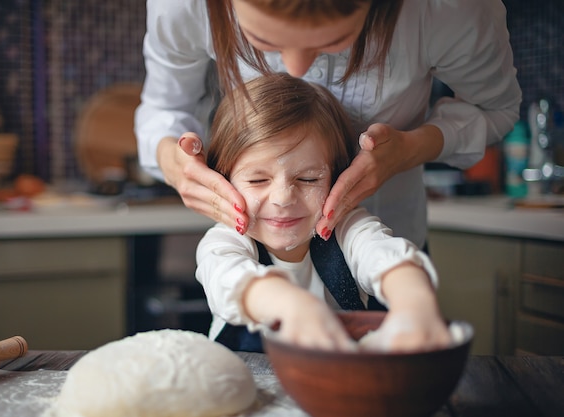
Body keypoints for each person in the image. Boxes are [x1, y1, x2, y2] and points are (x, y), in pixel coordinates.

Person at [134, 0, 522, 249]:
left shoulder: (450, 10)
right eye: (262, 39)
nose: (297, 68)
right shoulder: (182, 6)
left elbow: (497, 109)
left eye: (335, 39)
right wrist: (174, 163)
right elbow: (162, 110)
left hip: (390, 234)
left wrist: (409, 150)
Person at [196, 72, 451, 353]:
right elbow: (227, 278)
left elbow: (383, 254)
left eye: (308, 179)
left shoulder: (346, 228)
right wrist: (291, 305)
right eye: (257, 180)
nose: (283, 198)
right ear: (223, 182)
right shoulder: (224, 243)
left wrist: (413, 300)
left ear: (337, 178)